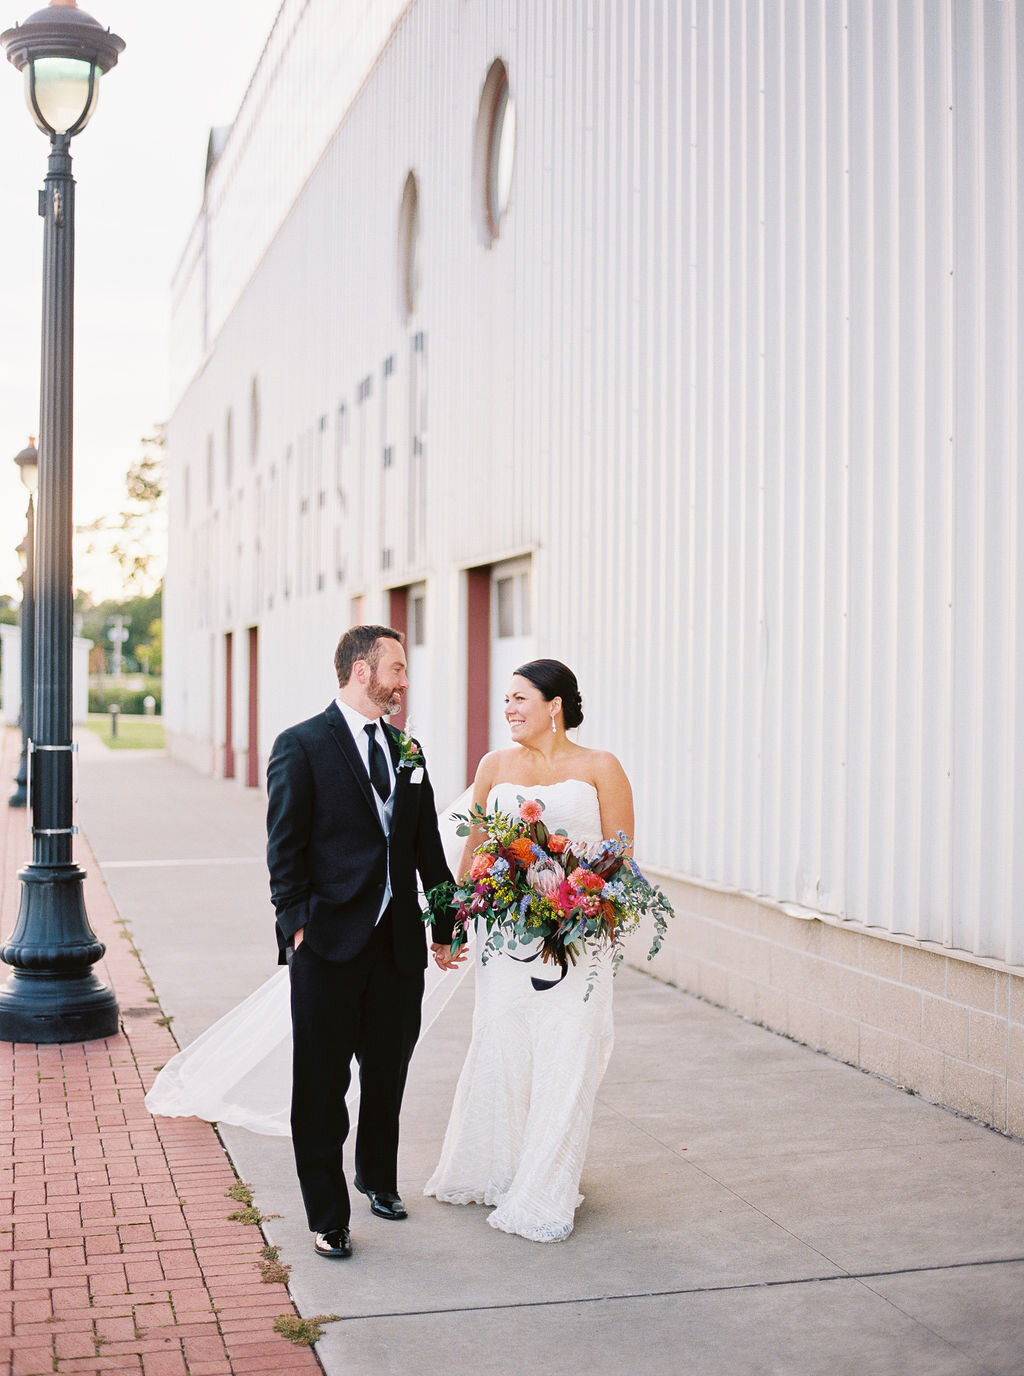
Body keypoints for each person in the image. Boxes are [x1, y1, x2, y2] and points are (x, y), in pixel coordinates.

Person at [267, 624, 464, 1261]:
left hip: (397, 948)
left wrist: (444, 926)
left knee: (388, 1074)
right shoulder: (300, 745)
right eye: (397, 669)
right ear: (361, 670)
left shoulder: (409, 750)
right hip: (326, 944)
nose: (405, 681)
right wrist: (297, 924)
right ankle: (328, 1214)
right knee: (321, 1085)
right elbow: (284, 849)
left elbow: (426, 848)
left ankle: (378, 1178)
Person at [424, 658, 633, 1242]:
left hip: (579, 938)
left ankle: (546, 1185)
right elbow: (475, 853)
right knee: (503, 1044)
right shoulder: (495, 766)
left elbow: (620, 857)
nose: (510, 710)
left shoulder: (600, 767)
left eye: (519, 699)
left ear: (554, 705)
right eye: (506, 701)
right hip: (505, 940)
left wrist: (578, 903)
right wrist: (453, 924)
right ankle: (498, 1169)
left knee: (569, 1049)